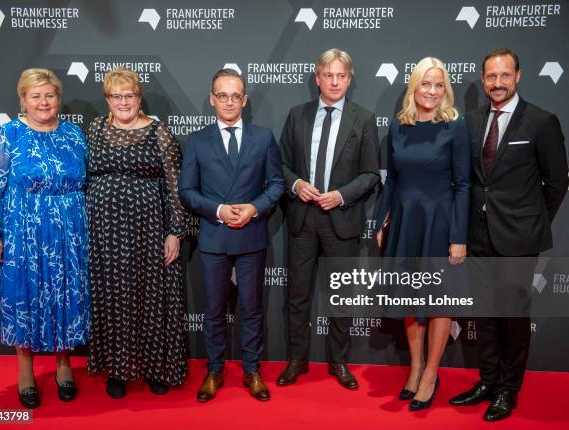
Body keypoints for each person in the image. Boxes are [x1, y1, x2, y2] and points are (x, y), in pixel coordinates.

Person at [449, 48, 568, 421]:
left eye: (504, 76)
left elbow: (557, 183)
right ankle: (486, 380)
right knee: (484, 315)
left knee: (513, 318)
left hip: (519, 239)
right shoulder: (470, 122)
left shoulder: (541, 121)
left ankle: (508, 389)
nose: (497, 83)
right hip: (478, 235)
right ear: (482, 80)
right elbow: (468, 182)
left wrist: (532, 223)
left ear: (518, 76)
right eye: (490, 77)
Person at [0, 68, 89, 408]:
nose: (43, 102)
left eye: (49, 95)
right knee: (23, 295)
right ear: (23, 99)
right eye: (35, 96)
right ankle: (25, 370)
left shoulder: (74, 134)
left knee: (64, 294)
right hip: (22, 230)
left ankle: (63, 365)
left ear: (58, 98)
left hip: (69, 230)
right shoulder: (6, 136)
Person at [179, 68, 284, 402]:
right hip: (213, 237)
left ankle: (251, 370)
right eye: (222, 95)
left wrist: (254, 207)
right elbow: (186, 191)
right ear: (212, 99)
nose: (228, 101)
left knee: (252, 310)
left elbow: (278, 183)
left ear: (245, 99)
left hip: (252, 236)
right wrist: (218, 210)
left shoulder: (263, 137)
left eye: (235, 95)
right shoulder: (197, 141)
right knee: (213, 311)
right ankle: (214, 370)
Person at [277, 48, 380, 390]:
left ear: (349, 79)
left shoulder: (363, 119)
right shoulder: (297, 115)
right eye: (328, 75)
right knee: (298, 296)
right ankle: (297, 360)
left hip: (342, 218)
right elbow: (280, 165)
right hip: (303, 220)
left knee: (341, 296)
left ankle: (339, 362)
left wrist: (342, 195)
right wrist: (295, 183)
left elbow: (369, 175)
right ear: (317, 78)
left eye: (341, 76)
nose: (334, 82)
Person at [86, 68, 189, 399]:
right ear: (107, 99)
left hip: (147, 231)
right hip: (102, 233)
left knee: (150, 298)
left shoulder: (158, 133)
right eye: (116, 96)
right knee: (111, 297)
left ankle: (154, 369)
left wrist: (174, 232)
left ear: (139, 97)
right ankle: (116, 370)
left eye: (129, 95)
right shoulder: (94, 130)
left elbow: (176, 187)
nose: (123, 102)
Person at [375, 57, 470, 411]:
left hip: (440, 222)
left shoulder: (454, 127)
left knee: (438, 299)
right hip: (404, 220)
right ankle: (414, 369)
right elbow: (393, 178)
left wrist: (458, 236)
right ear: (413, 86)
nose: (431, 91)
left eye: (438, 84)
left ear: (446, 89)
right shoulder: (399, 126)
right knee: (409, 298)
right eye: (425, 84)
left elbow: (463, 184)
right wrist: (383, 219)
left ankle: (431, 374)